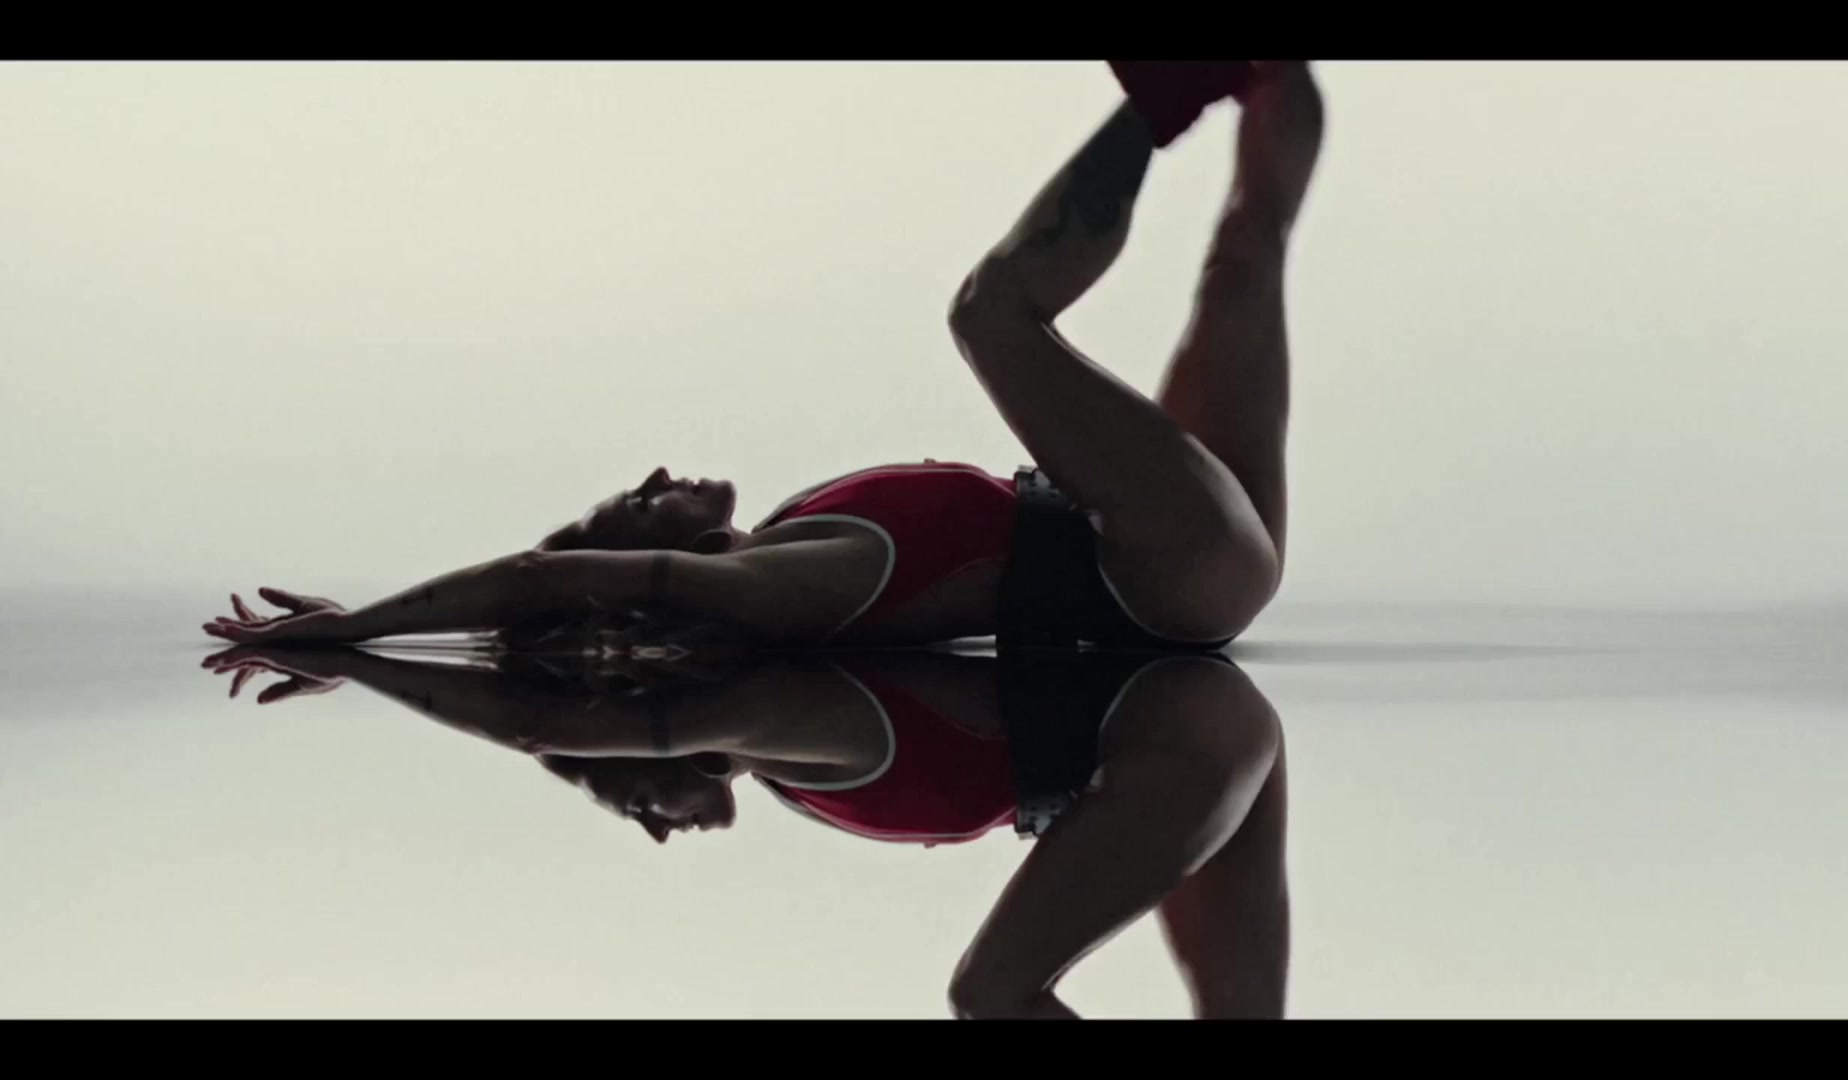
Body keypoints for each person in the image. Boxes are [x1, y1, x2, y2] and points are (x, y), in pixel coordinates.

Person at [201, 60, 1325, 655]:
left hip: (1192, 555)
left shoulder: (794, 531)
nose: (651, 478)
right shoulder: (766, 587)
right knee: (989, 316)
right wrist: (356, 627)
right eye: (629, 507)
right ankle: (1167, 90)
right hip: (1162, 562)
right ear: (643, 572)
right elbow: (539, 582)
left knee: (1249, 249)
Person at [206, 639, 1289, 1019]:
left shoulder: (773, 717)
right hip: (1174, 732)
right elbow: (553, 675)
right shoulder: (791, 751)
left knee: (991, 995)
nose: (664, 829)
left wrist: (362, 647)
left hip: (1176, 730)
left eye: (637, 804)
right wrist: (363, 647)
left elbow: (551, 665)